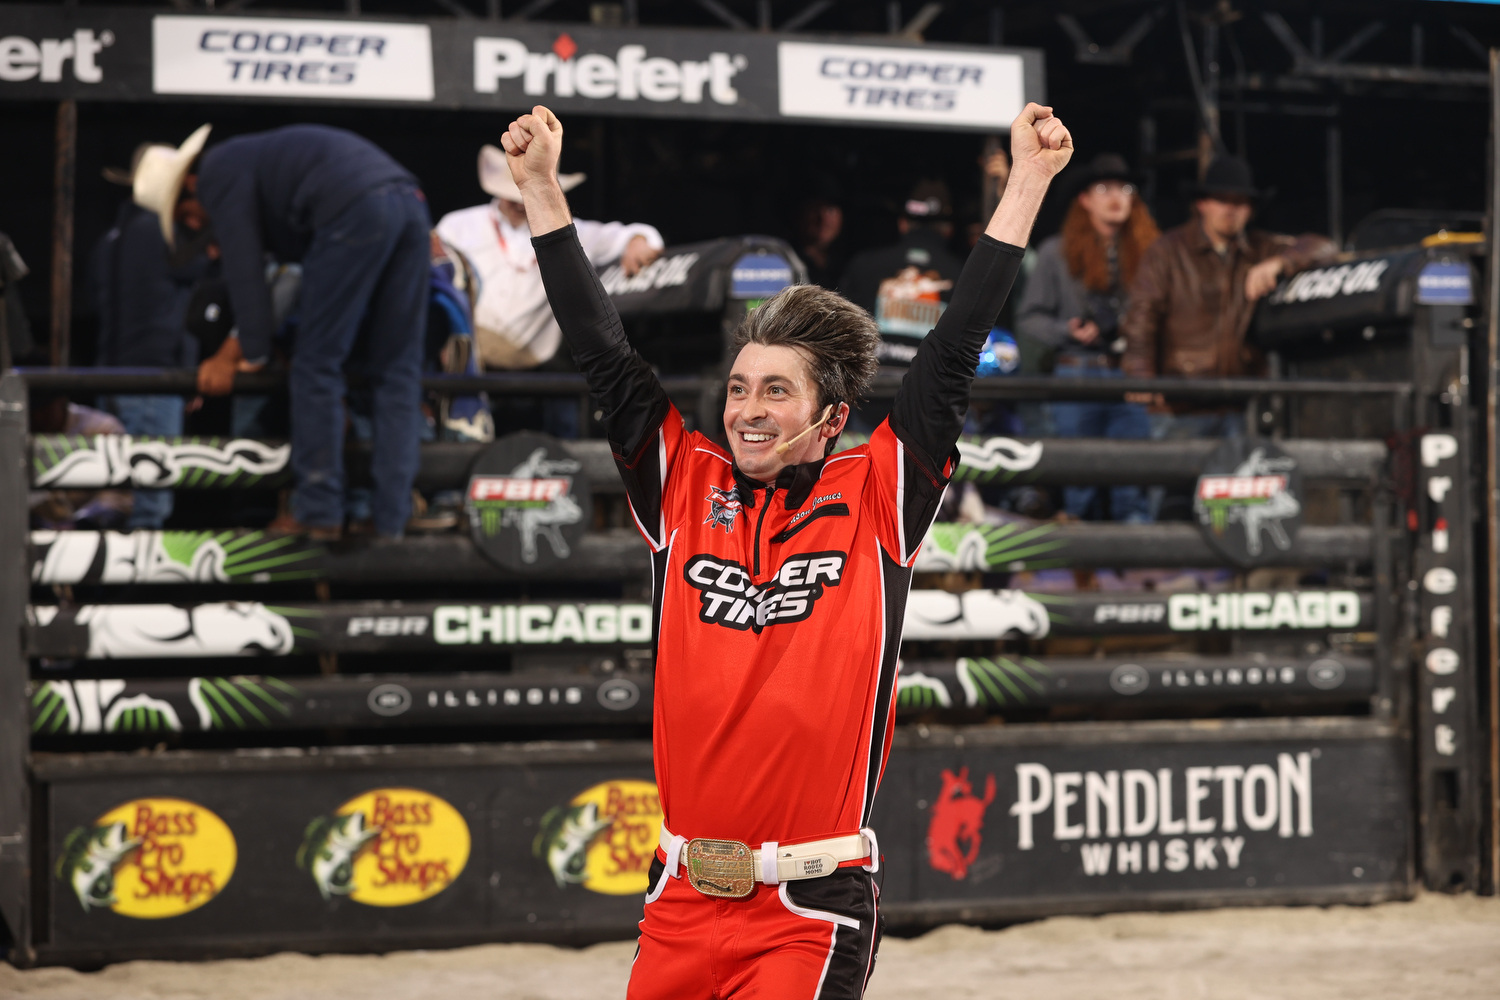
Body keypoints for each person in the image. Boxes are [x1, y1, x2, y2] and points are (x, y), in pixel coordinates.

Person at [504, 100, 1071, 998]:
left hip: (810, 911)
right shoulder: (682, 485)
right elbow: (605, 356)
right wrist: (540, 190)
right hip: (679, 899)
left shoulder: (879, 493)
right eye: (738, 389)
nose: (748, 410)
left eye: (776, 391)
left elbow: (953, 352)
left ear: (831, 417)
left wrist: (1028, 181)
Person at [135, 124, 431, 540]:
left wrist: (254, 354)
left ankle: (318, 511)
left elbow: (246, 273)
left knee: (315, 366)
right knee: (397, 372)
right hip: (411, 201)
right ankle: (390, 521)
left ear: (190, 185)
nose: (197, 224)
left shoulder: (218, 171)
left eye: (186, 215)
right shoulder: (253, 160)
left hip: (354, 208)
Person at [1120, 154, 1336, 438]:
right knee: (1176, 466)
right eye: (1222, 200)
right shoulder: (1167, 251)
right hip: (1181, 403)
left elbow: (1323, 247)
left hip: (1240, 403)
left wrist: (1280, 263)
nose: (1231, 209)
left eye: (1240, 202)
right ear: (1202, 204)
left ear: (1251, 210)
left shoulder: (1260, 249)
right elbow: (1142, 316)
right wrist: (1140, 376)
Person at [1016, 153, 1160, 522]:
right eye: (1104, 189)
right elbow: (1029, 317)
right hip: (1076, 372)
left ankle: (1135, 552)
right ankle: (1078, 553)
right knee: (1079, 483)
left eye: (1124, 189)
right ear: (1085, 199)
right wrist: (1068, 330)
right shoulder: (1056, 252)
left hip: (1129, 374)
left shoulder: (1149, 252)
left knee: (1133, 478)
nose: (1116, 198)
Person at [92, 140, 210, 529]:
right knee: (148, 503)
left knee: (117, 498)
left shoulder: (112, 238)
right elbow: (188, 305)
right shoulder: (160, 235)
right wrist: (186, 371)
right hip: (151, 380)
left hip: (112, 377)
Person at [838, 179, 966, 368]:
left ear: (903, 224)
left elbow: (838, 335)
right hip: (929, 383)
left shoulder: (864, 265)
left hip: (871, 381)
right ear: (949, 230)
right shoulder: (965, 276)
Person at [792, 177, 846, 289]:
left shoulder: (852, 265)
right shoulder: (787, 261)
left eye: (830, 210)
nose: (823, 218)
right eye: (814, 209)